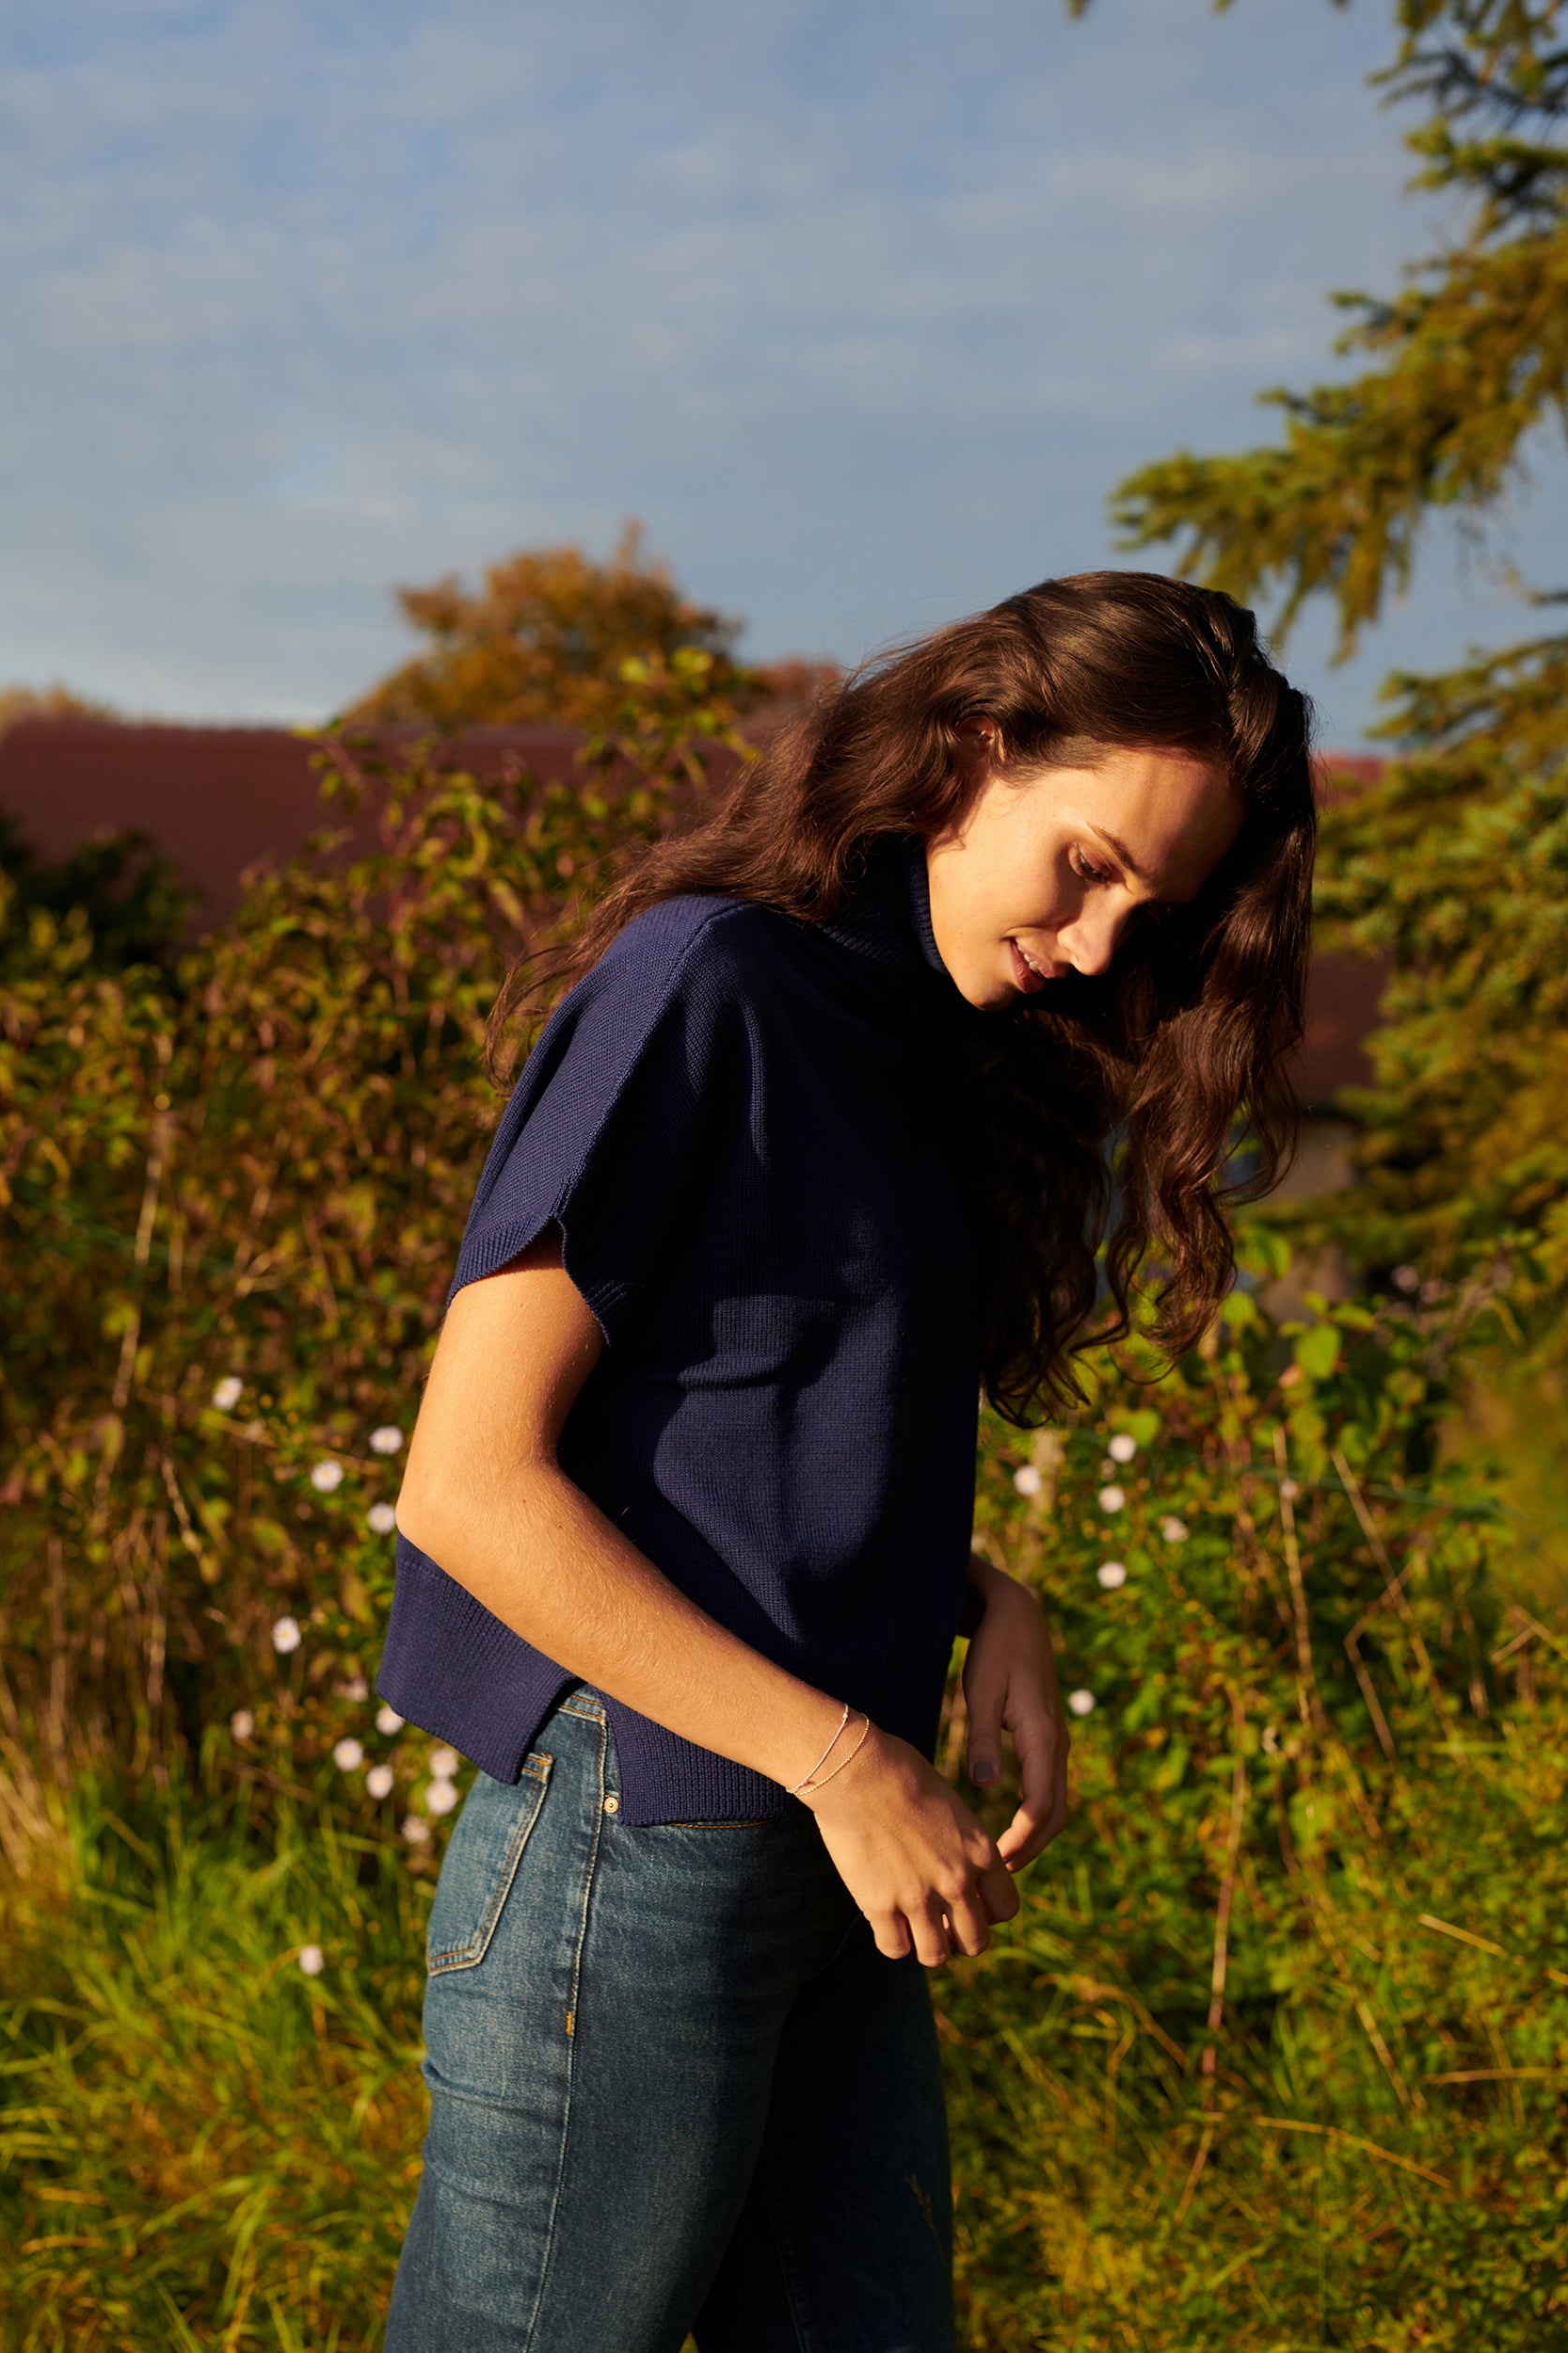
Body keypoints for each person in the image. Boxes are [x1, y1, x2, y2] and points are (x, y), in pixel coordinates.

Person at [377, 571, 1314, 2353]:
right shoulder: (712, 983)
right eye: (1091, 864)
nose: (1107, 944)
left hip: (834, 1849)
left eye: (1156, 908)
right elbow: (470, 1483)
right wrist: (840, 1759)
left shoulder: (932, 1044)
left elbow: (740, 1422)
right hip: (640, 1843)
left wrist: (980, 1593)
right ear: (977, 752)